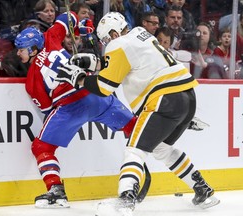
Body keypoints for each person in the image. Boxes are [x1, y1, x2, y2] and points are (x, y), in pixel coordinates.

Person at [56, 12, 220, 213]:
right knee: (161, 149)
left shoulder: (118, 44)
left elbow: (105, 86)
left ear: (114, 33)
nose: (106, 44)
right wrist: (95, 63)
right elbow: (125, 64)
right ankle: (202, 190)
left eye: (106, 39)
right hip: (186, 97)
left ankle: (126, 200)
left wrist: (79, 78)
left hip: (163, 99)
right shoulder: (142, 34)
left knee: (134, 150)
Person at [14, 12, 137, 209]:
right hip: (96, 94)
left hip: (70, 106)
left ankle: (56, 191)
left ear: (33, 49)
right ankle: (145, 168)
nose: (18, 54)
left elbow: (47, 108)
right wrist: (81, 27)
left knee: (42, 147)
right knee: (138, 128)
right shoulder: (51, 37)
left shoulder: (32, 80)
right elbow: (67, 16)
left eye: (21, 50)